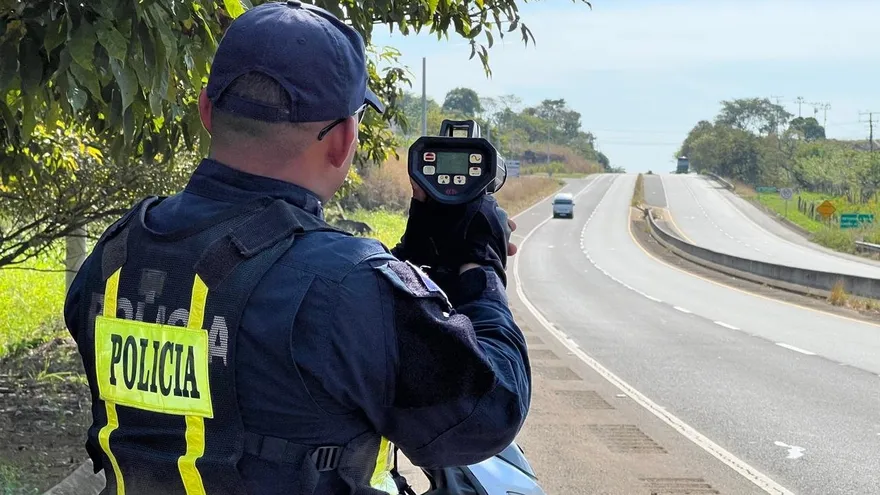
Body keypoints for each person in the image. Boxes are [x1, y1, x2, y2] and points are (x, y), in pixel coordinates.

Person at [63, 1, 531, 494]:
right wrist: (480, 271)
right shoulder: (348, 287)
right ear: (343, 139)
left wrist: (409, 264)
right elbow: (486, 417)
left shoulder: (115, 256)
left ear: (205, 110)